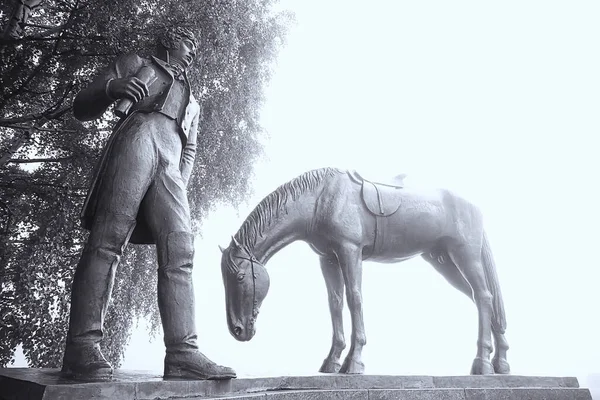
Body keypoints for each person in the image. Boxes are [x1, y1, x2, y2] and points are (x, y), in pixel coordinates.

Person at [61, 26, 236, 381]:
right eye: (189, 43)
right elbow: (82, 105)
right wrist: (113, 88)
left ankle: (183, 353)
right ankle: (82, 347)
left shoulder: (193, 102)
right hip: (135, 142)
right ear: (171, 41)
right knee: (107, 242)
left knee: (181, 251)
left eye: (196, 48)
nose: (193, 53)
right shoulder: (136, 63)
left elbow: (190, 148)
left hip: (170, 167)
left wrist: (179, 186)